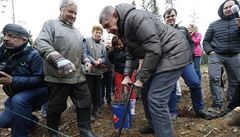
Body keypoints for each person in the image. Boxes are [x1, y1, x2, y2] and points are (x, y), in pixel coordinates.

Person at [99, 3, 192, 137]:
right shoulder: (124, 28)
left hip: (172, 52)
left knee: (156, 99)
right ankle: (153, 124)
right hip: (161, 55)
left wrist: (141, 78)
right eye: (105, 28)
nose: (107, 30)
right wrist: (126, 75)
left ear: (115, 16)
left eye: (107, 25)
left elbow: (154, 48)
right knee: (145, 91)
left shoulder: (135, 18)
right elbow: (130, 53)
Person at [34, 0, 98, 137]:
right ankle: (53, 132)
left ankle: (85, 131)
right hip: (58, 77)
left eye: (75, 13)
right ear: (61, 10)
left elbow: (82, 52)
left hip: (78, 76)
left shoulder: (77, 32)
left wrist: (86, 61)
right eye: (70, 11)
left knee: (85, 101)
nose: (73, 15)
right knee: (55, 107)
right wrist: (57, 59)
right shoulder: (50, 25)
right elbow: (42, 43)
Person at [163, 8, 212, 121]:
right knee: (171, 87)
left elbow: (190, 43)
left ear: (176, 16)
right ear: (164, 19)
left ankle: (199, 109)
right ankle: (172, 112)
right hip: (170, 63)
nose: (170, 18)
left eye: (172, 16)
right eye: (168, 17)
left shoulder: (183, 30)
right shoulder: (162, 30)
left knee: (195, 83)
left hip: (185, 62)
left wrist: (189, 55)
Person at [0, 23, 48, 137]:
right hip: (15, 92)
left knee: (19, 100)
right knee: (3, 122)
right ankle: (31, 121)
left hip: (38, 91)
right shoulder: (4, 52)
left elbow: (39, 80)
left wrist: (12, 80)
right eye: (4, 35)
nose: (6, 38)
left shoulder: (34, 55)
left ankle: (20, 134)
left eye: (11, 35)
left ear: (24, 39)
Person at [203, 0, 240, 115]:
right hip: (216, 55)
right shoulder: (214, 24)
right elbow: (206, 41)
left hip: (234, 55)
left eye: (231, 7)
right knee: (214, 78)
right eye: (225, 7)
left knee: (235, 81)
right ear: (222, 10)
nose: (228, 9)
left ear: (236, 8)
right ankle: (217, 105)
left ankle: (231, 105)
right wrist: (210, 51)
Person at [108, 35, 138, 115]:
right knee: (118, 89)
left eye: (120, 44)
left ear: (123, 43)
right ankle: (118, 105)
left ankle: (132, 107)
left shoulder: (129, 49)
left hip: (130, 71)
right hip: (118, 72)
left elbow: (135, 60)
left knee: (131, 89)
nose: (118, 46)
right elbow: (111, 60)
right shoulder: (112, 52)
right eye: (116, 45)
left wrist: (132, 70)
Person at [83, 25, 107, 119]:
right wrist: (93, 61)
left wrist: (101, 60)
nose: (98, 34)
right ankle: (88, 114)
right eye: (96, 32)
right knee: (89, 92)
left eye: (100, 33)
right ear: (92, 32)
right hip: (89, 72)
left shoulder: (102, 44)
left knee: (98, 92)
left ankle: (95, 111)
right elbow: (85, 53)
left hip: (98, 73)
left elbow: (105, 57)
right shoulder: (87, 40)